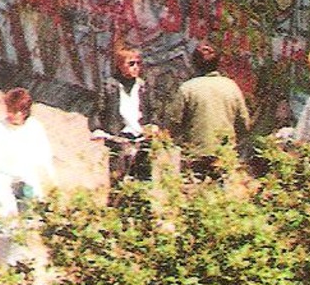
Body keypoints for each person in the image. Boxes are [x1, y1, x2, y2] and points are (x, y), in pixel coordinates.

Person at [0, 87, 56, 268]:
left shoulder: (35, 128)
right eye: (10, 110)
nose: (12, 114)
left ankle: (14, 262)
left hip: (27, 180)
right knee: (7, 225)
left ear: (25, 111)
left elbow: (44, 156)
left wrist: (52, 182)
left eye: (16, 111)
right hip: (4, 179)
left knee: (26, 223)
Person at [166, 41, 252, 176]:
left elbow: (173, 124)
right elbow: (244, 123)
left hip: (196, 155)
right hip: (224, 154)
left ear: (194, 63)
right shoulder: (231, 87)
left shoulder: (187, 89)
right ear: (218, 63)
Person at [89, 45, 153, 183]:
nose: (136, 67)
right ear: (120, 65)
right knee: (118, 179)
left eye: (138, 63)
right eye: (131, 64)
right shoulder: (110, 86)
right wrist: (97, 129)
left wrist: (153, 126)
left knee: (143, 179)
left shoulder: (142, 86)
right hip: (119, 138)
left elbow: (151, 110)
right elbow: (98, 111)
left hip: (141, 139)